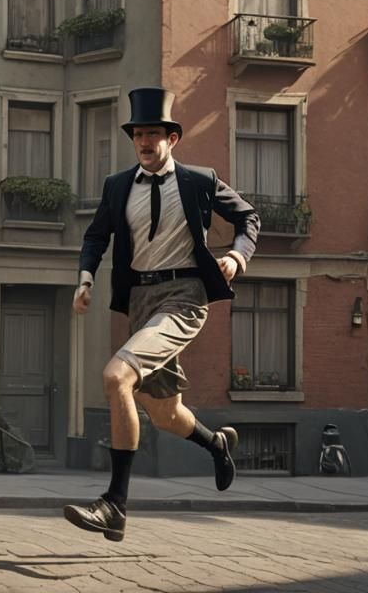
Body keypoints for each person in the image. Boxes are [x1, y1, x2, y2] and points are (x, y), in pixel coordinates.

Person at [63, 87, 260, 542]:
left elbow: (249, 218)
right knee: (164, 411)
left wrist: (237, 256)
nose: (146, 143)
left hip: (186, 297)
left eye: (154, 134)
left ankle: (115, 504)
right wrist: (86, 278)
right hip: (142, 302)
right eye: (139, 136)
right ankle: (217, 443)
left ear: (172, 139)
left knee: (116, 378)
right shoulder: (117, 187)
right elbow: (96, 237)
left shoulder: (198, 181)